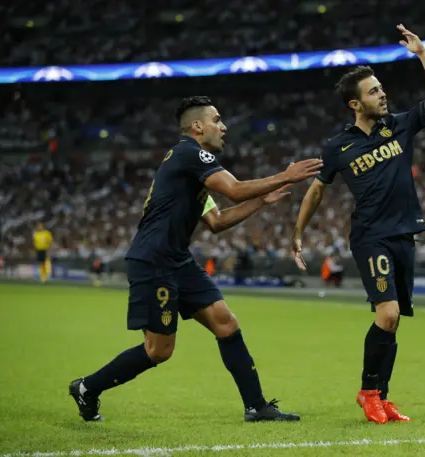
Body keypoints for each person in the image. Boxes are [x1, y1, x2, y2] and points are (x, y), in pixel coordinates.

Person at [69, 96, 323, 423]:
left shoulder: (187, 169)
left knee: (226, 324)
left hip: (177, 260)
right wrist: (285, 176)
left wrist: (261, 200)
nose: (224, 127)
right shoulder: (191, 153)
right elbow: (233, 189)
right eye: (217, 120)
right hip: (155, 260)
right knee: (158, 351)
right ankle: (87, 388)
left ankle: (257, 407)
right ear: (198, 126)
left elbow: (216, 222)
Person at [291, 25, 425, 424]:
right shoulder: (338, 147)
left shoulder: (398, 125)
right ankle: (367, 392)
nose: (383, 94)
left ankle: (382, 396)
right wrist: (297, 233)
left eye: (381, 88)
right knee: (388, 312)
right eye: (374, 91)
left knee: (393, 321)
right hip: (370, 237)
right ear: (355, 105)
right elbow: (316, 191)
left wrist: (422, 54)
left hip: (404, 234)